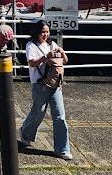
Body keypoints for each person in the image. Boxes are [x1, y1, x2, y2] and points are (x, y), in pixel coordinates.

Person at [18, 21, 72, 160]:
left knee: (60, 116)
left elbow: (64, 61)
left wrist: (61, 51)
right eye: (43, 32)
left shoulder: (52, 44)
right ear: (37, 32)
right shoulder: (31, 45)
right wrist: (45, 57)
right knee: (38, 112)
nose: (46, 34)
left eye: (47, 32)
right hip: (39, 84)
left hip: (55, 84)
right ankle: (26, 133)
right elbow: (31, 63)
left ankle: (62, 149)